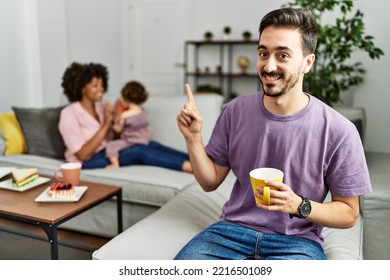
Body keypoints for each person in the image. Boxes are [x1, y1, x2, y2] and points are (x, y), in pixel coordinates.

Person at [175, 7, 371, 260]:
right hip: (229, 233)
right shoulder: (234, 111)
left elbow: (349, 214)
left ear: (307, 63)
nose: (268, 66)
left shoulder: (339, 131)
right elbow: (209, 181)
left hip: (297, 243)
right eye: (263, 53)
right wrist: (193, 138)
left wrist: (298, 205)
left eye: (282, 55)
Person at [59, 62, 192, 172]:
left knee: (150, 144)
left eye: (102, 85)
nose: (101, 89)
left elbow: (115, 138)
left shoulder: (100, 108)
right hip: (87, 162)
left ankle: (200, 161)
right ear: (82, 88)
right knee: (139, 151)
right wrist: (106, 125)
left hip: (109, 151)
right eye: (95, 85)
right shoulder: (69, 113)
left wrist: (117, 122)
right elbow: (82, 154)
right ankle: (190, 168)